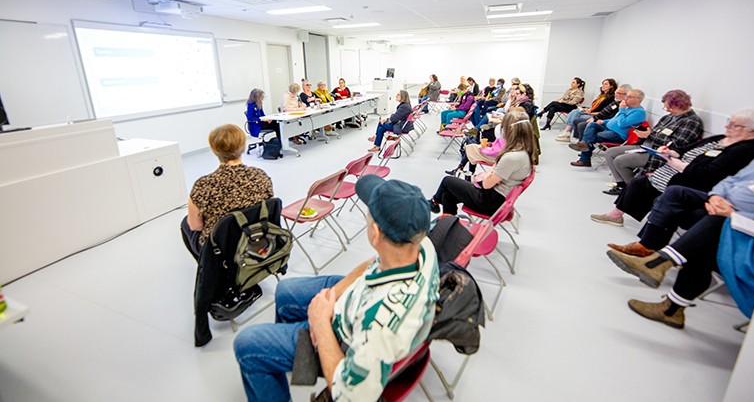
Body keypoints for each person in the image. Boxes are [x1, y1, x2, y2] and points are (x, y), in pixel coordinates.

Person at [234, 175, 439, 402]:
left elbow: (348, 395)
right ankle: (296, 360)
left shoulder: (379, 327)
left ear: (376, 232)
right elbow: (373, 264)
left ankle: (292, 354)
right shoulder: (418, 243)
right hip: (355, 302)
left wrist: (320, 322)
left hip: (346, 337)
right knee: (286, 292)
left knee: (247, 344)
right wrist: (334, 294)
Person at [604, 149, 754, 329]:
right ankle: (667, 294)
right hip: (730, 216)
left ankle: (658, 264)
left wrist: (740, 216)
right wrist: (717, 197)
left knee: (713, 227)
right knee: (681, 199)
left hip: (753, 235)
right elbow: (730, 181)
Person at [591, 108, 754, 228]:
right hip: (673, 163)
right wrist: (673, 152)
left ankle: (649, 241)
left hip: (692, 177)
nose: (727, 126)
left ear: (752, 131)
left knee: (634, 173)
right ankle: (618, 215)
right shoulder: (721, 137)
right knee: (639, 181)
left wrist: (679, 163)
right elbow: (687, 148)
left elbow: (714, 172)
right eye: (729, 121)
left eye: (734, 125)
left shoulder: (747, 149)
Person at [180, 124, 274, 260]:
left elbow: (195, 226)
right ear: (243, 147)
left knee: (185, 224)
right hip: (256, 240)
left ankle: (209, 268)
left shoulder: (203, 186)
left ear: (214, 150)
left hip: (220, 248)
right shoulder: (261, 176)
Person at [430, 110, 534, 216]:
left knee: (447, 181)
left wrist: (485, 176)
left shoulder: (511, 157)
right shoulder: (523, 151)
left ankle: (434, 202)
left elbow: (486, 184)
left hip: (490, 201)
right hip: (497, 197)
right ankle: (448, 223)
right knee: (447, 195)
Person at [601, 89, 704, 195]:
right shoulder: (668, 117)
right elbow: (655, 133)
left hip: (660, 154)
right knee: (610, 153)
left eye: (669, 107)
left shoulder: (691, 122)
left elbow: (677, 145)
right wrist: (647, 134)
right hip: (647, 146)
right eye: (666, 107)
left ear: (681, 105)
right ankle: (621, 184)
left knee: (620, 161)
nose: (667, 110)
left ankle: (633, 190)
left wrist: (650, 135)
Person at [568, 89, 647, 167]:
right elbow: (615, 119)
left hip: (617, 135)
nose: (626, 98)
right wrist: (604, 121)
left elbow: (622, 124)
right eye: (627, 96)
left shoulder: (638, 112)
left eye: (629, 97)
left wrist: (621, 109)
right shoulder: (627, 108)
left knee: (590, 135)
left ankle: (584, 157)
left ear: (638, 100)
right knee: (585, 125)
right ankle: (584, 145)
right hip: (608, 128)